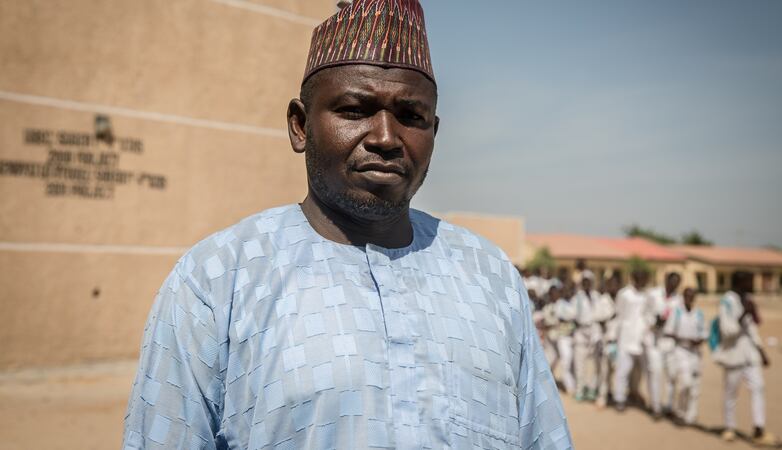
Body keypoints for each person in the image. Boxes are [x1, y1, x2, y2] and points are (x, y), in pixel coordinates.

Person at [121, 1, 572, 448]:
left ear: (434, 131)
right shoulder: (220, 277)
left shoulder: (489, 275)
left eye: (411, 117)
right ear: (300, 126)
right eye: (355, 110)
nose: (385, 138)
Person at [714, 271, 775, 445]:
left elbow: (753, 328)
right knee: (731, 393)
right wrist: (742, 315)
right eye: (749, 280)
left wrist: (762, 351)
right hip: (733, 355)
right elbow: (727, 330)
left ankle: (758, 429)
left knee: (758, 388)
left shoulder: (748, 299)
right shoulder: (726, 301)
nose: (752, 283)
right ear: (739, 282)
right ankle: (729, 428)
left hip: (751, 355)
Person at [613, 269, 657, 414]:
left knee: (646, 372)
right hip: (626, 338)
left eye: (644, 278)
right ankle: (619, 399)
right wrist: (615, 337)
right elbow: (619, 315)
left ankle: (653, 403)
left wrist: (649, 325)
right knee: (623, 370)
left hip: (643, 339)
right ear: (633, 278)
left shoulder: (648, 295)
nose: (642, 281)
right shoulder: (624, 294)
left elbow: (651, 315)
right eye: (639, 278)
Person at [662, 288, 705, 425]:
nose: (689, 298)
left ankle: (691, 415)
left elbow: (704, 333)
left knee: (695, 386)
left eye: (692, 296)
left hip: (695, 353)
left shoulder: (699, 314)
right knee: (685, 383)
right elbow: (668, 331)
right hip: (680, 351)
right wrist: (683, 338)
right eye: (687, 296)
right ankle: (680, 411)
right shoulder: (677, 312)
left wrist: (698, 340)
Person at [647, 272, 682, 417]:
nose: (674, 285)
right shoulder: (653, 294)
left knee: (672, 375)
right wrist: (654, 323)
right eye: (672, 281)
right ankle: (656, 407)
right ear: (666, 280)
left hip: (671, 343)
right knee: (655, 373)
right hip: (655, 341)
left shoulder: (678, 300)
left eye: (677, 282)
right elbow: (645, 313)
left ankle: (669, 405)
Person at [571, 271, 601, 402]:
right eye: (584, 282)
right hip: (581, 333)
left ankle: (592, 389)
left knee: (594, 365)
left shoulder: (597, 296)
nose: (587, 284)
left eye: (589, 281)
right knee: (580, 364)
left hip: (595, 332)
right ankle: (579, 390)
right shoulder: (577, 297)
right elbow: (572, 314)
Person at [594, 276, 619, 408]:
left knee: (615, 371)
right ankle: (602, 396)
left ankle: (612, 394)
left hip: (619, 342)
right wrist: (611, 316)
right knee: (604, 371)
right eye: (611, 285)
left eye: (616, 285)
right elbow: (598, 319)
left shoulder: (621, 300)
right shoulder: (602, 300)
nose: (614, 288)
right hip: (606, 340)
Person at [554, 283, 577, 395]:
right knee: (566, 361)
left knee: (573, 362)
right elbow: (563, 318)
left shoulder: (573, 302)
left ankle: (574, 384)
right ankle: (569, 386)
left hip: (574, 337)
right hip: (563, 337)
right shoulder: (559, 304)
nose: (568, 293)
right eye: (566, 291)